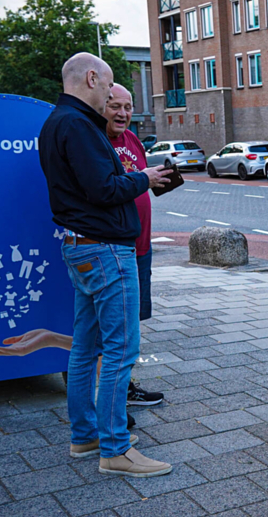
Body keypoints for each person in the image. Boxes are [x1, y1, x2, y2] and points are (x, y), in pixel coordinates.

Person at [39, 52, 174, 477]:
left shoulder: (55, 122)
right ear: (92, 78)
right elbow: (103, 189)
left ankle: (85, 437)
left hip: (80, 248)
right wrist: (145, 179)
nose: (110, 98)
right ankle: (115, 448)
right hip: (106, 251)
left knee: (84, 348)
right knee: (120, 350)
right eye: (108, 86)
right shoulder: (79, 125)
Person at [102, 83, 164, 408]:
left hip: (141, 246)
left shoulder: (132, 139)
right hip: (117, 247)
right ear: (101, 105)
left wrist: (156, 180)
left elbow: (138, 177)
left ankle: (126, 385)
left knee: (134, 321)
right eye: (115, 106)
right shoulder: (97, 143)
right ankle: (115, 395)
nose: (123, 114)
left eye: (128, 107)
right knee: (116, 326)